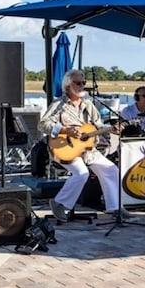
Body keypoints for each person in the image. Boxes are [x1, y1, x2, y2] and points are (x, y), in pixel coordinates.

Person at [38, 69, 133, 222]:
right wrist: (65, 130)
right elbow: (42, 125)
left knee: (111, 170)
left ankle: (116, 208)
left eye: (84, 83)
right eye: (78, 83)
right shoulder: (58, 104)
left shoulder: (89, 105)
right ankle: (59, 203)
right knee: (82, 173)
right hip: (64, 149)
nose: (82, 86)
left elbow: (99, 126)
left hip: (88, 150)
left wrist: (112, 129)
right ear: (68, 85)